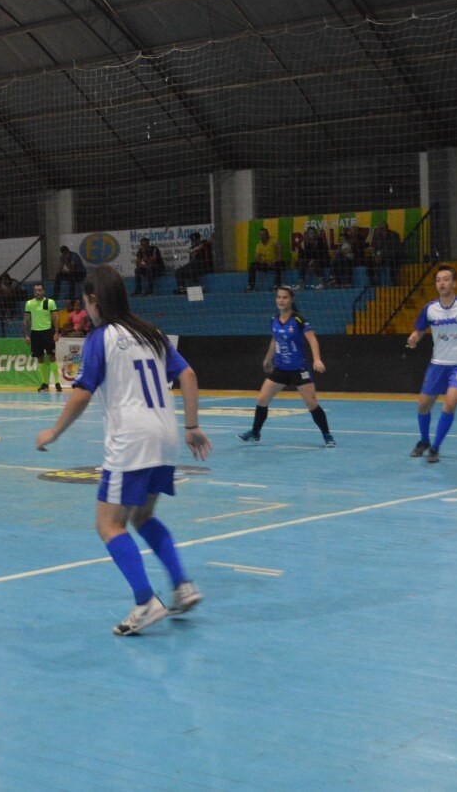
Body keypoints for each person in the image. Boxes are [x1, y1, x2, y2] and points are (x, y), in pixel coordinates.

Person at [35, 266, 211, 636]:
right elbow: (189, 375)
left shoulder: (102, 338)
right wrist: (192, 426)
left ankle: (145, 602)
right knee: (142, 517)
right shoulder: (153, 334)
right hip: (165, 436)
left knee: (108, 524)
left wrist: (54, 430)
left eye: (86, 303)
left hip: (131, 440)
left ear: (94, 301)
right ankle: (183, 585)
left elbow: (83, 391)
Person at [238, 286, 334, 447]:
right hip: (280, 368)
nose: (281, 300)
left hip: (299, 369)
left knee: (311, 404)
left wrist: (317, 360)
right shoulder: (274, 320)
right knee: (262, 399)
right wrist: (268, 359)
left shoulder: (298, 320)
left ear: (291, 300)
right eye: (279, 297)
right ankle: (255, 433)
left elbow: (312, 339)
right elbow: (275, 340)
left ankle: (327, 435)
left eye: (284, 298)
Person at [406, 265, 457, 463]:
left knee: (449, 405)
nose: (442, 283)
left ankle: (435, 448)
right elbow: (419, 330)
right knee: (423, 406)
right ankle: (423, 441)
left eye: (446, 279)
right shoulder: (430, 309)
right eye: (438, 280)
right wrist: (414, 338)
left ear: (454, 283)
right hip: (438, 364)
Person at [24, 282, 61, 392]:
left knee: (52, 356)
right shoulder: (29, 303)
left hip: (48, 332)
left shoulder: (50, 302)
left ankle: (57, 383)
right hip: (35, 333)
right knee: (40, 358)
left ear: (43, 291)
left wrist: (56, 332)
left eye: (39, 290)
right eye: (36, 290)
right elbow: (26, 319)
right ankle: (45, 383)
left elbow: (56, 318)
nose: (37, 292)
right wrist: (26, 335)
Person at [246, 227, 283, 292]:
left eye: (263, 235)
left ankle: (277, 285)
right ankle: (251, 286)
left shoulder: (273, 240)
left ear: (267, 235)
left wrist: (278, 258)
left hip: (275, 262)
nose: (261, 236)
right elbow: (256, 258)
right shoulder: (259, 245)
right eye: (260, 235)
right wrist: (263, 263)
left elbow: (280, 246)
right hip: (265, 264)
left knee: (278, 264)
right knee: (252, 265)